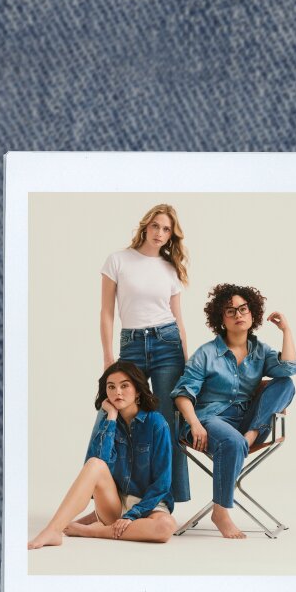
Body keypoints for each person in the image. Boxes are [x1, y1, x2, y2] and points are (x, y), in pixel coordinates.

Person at [173, 283, 296, 539]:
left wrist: (286, 330)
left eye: (243, 309)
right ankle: (220, 512)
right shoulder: (207, 353)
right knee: (232, 442)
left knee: (286, 384)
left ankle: (250, 436)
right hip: (210, 421)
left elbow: (288, 370)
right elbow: (183, 393)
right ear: (221, 319)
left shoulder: (261, 351)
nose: (238, 315)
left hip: (250, 424)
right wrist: (195, 424)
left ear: (252, 314)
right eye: (230, 311)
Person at [27, 360, 179, 549]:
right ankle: (52, 531)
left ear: (138, 390)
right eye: (111, 387)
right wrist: (111, 418)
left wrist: (133, 515)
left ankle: (94, 531)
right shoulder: (108, 423)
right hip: (115, 504)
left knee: (166, 527)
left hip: (149, 504)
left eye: (124, 386)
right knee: (94, 464)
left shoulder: (156, 423)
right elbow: (98, 462)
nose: (118, 392)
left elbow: (162, 483)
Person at [99, 204, 191, 499]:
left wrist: (186, 360)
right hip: (131, 345)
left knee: (167, 421)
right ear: (145, 226)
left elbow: (178, 319)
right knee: (120, 414)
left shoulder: (170, 268)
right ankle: (115, 495)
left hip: (167, 343)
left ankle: (166, 500)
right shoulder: (118, 260)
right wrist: (108, 356)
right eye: (156, 226)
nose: (160, 233)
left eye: (166, 229)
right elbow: (106, 312)